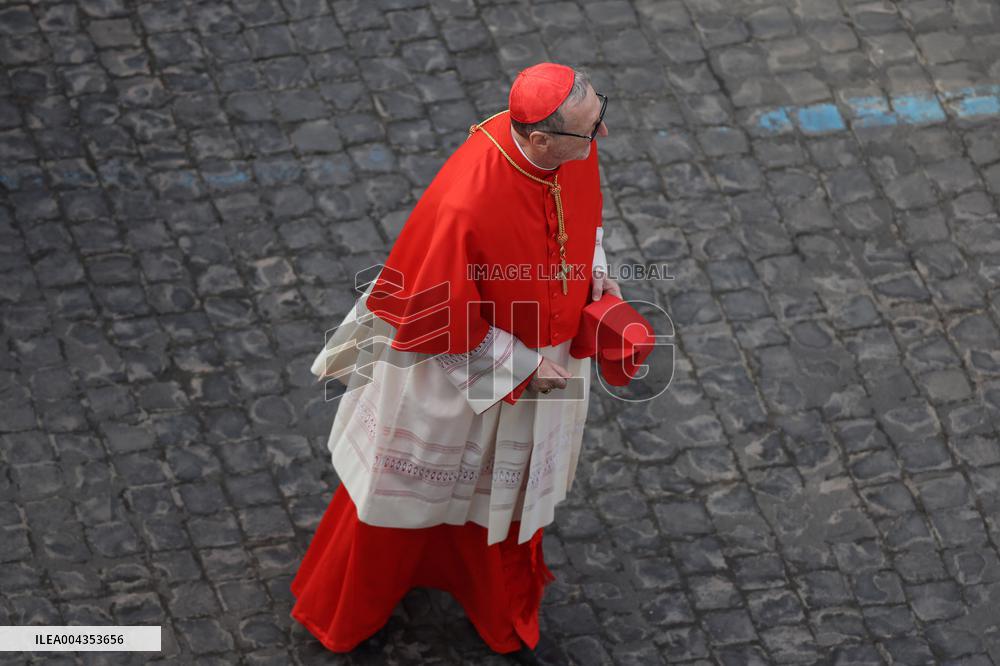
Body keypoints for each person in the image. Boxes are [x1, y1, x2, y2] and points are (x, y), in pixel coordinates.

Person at [290, 62, 620, 664]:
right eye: (589, 130)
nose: (600, 138)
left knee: (506, 496)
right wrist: (520, 366)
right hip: (455, 376)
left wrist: (598, 278)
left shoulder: (570, 148)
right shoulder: (466, 203)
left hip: (542, 359)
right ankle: (347, 610)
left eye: (600, 117)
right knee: (399, 499)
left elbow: (581, 221)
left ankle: (496, 600)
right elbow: (434, 313)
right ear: (539, 139)